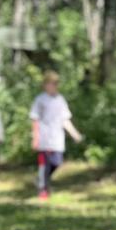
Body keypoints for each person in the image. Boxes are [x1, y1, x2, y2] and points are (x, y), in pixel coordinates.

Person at [29, 71, 83, 200]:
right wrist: (35, 137)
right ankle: (43, 189)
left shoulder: (60, 100)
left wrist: (75, 134)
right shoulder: (40, 100)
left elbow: (65, 120)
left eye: (55, 83)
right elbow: (35, 119)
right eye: (51, 83)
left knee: (57, 162)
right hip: (44, 138)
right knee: (44, 165)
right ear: (45, 85)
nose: (53, 86)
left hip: (57, 139)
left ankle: (41, 180)